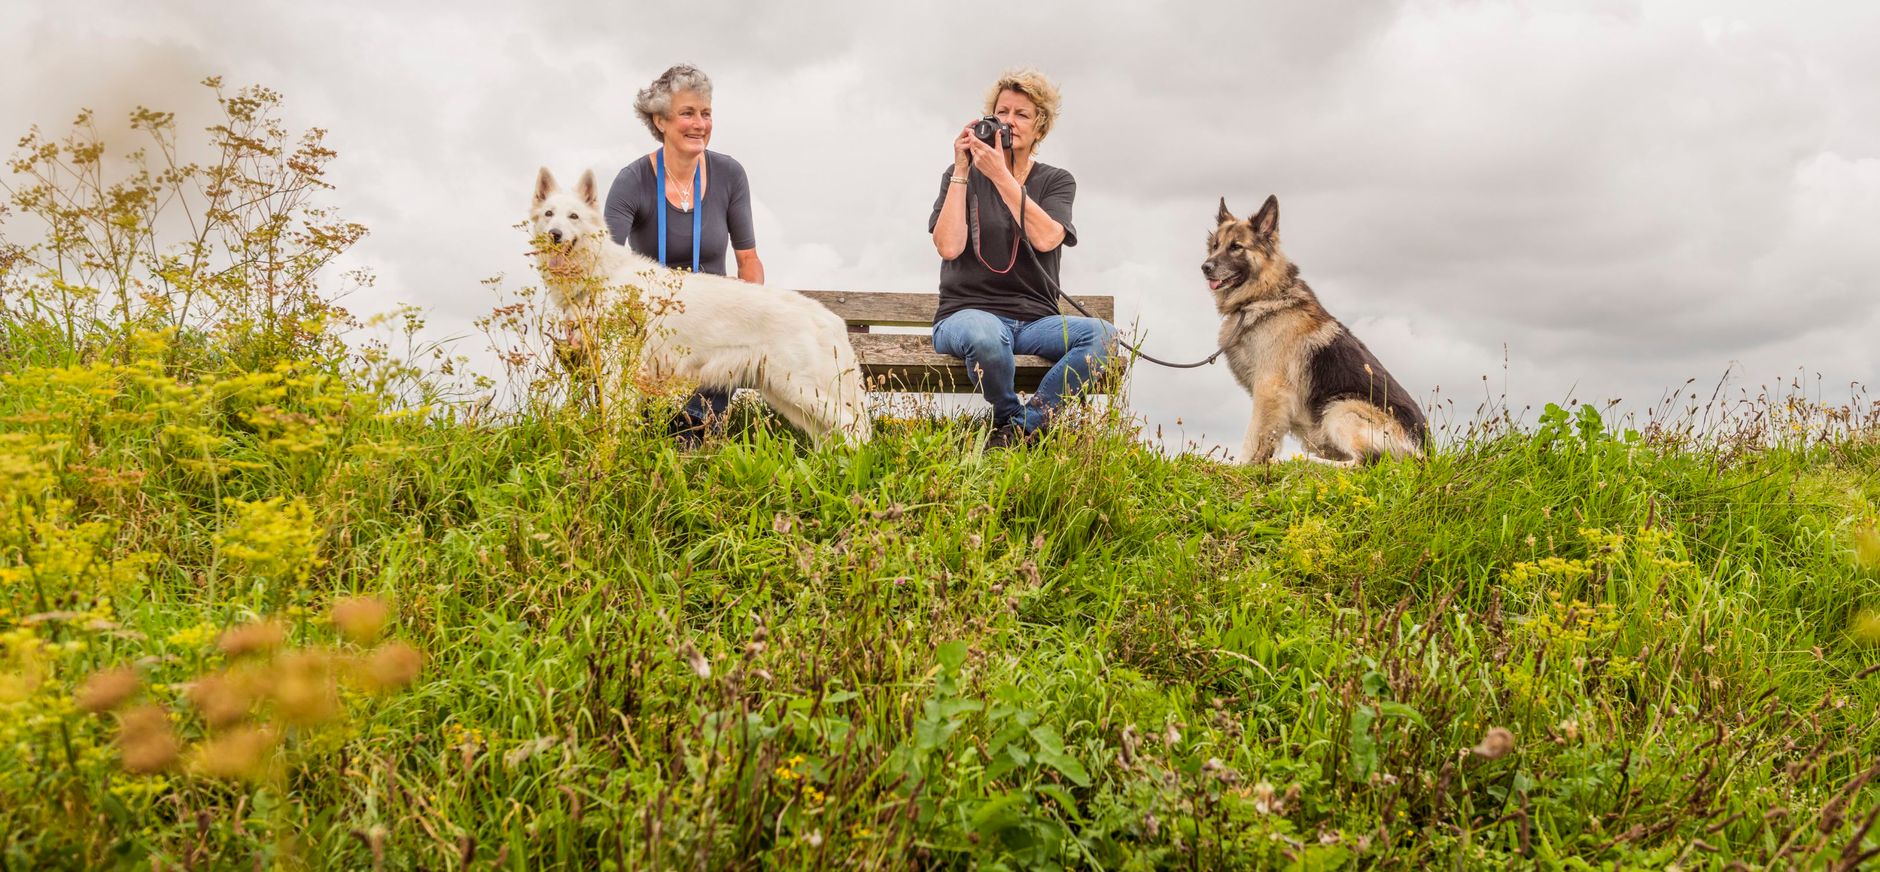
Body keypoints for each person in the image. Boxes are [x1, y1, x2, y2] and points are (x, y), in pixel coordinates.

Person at [928, 69, 1118, 448]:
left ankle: (1025, 427)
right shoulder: (959, 174)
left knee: (1105, 337)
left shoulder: (1056, 181)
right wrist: (964, 170)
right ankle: (1011, 419)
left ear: (1039, 127)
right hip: (966, 315)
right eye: (1002, 112)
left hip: (1034, 322)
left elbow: (1047, 237)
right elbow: (949, 246)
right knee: (985, 334)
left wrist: (1003, 177)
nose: (1009, 122)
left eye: (1021, 114)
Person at [604, 64, 764, 445]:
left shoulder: (729, 175)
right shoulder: (632, 181)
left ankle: (690, 437)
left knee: (730, 340)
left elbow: (749, 262)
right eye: (688, 113)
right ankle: (672, 438)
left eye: (706, 113)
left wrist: (749, 301)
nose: (700, 124)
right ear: (660, 120)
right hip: (654, 322)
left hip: (713, 320)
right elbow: (603, 264)